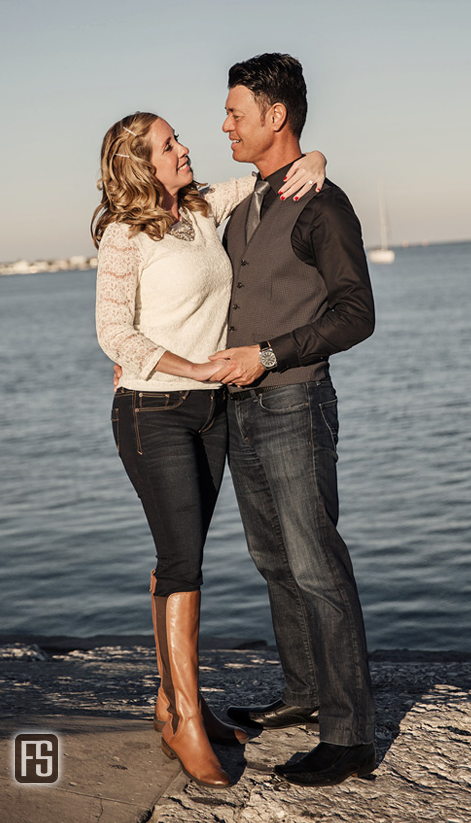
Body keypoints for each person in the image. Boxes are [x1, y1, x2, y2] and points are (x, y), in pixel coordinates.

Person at [93, 111, 324, 787]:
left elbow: (265, 177)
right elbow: (113, 332)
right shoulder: (121, 235)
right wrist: (191, 369)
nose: (185, 147)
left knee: (183, 559)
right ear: (142, 162)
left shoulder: (200, 207)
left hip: (211, 413)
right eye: (170, 145)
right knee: (181, 561)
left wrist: (316, 159)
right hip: (152, 410)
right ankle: (186, 720)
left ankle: (171, 701)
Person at [207, 53, 379, 787]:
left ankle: (349, 735)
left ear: (275, 116)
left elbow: (357, 314)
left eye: (235, 111)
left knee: (317, 567)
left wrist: (270, 354)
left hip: (295, 403)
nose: (224, 125)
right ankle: (303, 695)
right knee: (273, 562)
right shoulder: (246, 199)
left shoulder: (322, 204)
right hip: (239, 409)